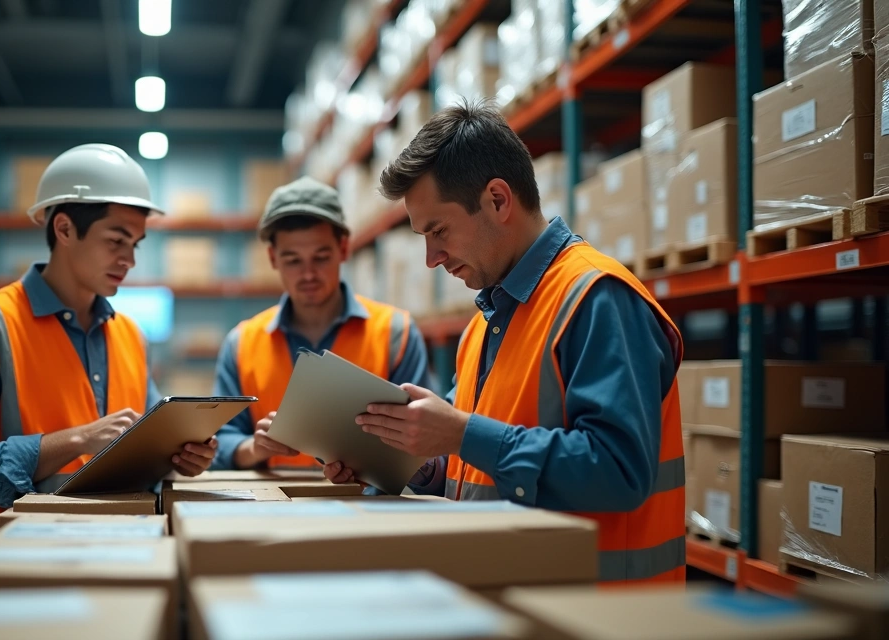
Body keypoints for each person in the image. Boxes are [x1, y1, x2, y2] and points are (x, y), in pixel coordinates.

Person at [322, 102, 686, 585]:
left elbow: (619, 472)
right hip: (515, 601)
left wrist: (462, 435)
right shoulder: (482, 327)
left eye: (438, 230)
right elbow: (471, 470)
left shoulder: (597, 298)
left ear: (497, 200)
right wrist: (407, 458)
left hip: (601, 609)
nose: (431, 258)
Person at [0, 144, 218, 558]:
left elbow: (144, 444)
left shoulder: (130, 336)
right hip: (9, 571)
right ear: (64, 229)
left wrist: (182, 454)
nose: (129, 259)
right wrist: (78, 439)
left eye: (135, 244)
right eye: (116, 241)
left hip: (118, 559)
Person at [210, 176, 432, 471]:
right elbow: (220, 442)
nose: (308, 274)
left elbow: (422, 439)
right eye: (293, 260)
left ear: (343, 249)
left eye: (321, 257)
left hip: (368, 497)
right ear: (273, 258)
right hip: (271, 497)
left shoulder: (395, 333)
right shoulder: (242, 343)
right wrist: (254, 447)